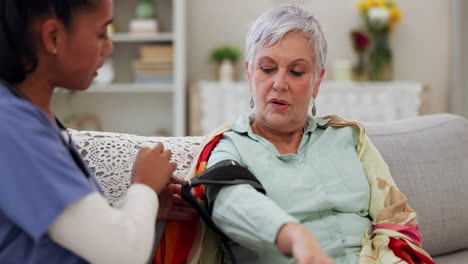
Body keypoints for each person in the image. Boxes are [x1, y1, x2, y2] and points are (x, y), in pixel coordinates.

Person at [192, 4, 435, 264]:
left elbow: (394, 221)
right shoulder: (230, 147)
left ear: (317, 81)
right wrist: (296, 237)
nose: (280, 83)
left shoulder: (350, 139)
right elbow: (230, 202)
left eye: (296, 71)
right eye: (267, 69)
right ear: (250, 74)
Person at [0, 0, 194, 263]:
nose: (109, 46)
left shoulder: (33, 121)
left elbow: (64, 235)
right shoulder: (15, 128)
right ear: (53, 37)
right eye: (101, 33)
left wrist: (141, 210)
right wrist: (145, 185)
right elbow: (123, 254)